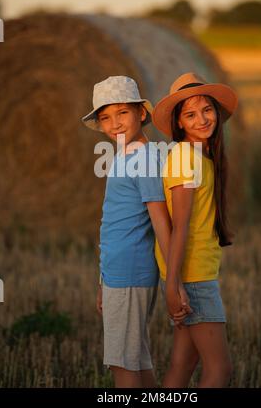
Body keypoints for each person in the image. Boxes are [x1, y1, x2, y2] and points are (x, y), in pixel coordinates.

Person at [81, 75, 172, 388]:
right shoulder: (125, 155)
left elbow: (160, 221)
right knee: (136, 361)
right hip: (118, 273)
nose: (114, 124)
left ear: (141, 114)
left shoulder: (145, 159)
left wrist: (173, 280)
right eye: (105, 117)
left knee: (123, 367)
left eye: (122, 113)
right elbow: (115, 226)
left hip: (130, 272)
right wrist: (104, 282)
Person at [152, 72, 238, 388]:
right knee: (220, 370)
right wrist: (174, 286)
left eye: (207, 110)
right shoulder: (186, 158)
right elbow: (180, 227)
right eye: (190, 114)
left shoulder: (202, 157)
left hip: (194, 271)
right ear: (179, 123)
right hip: (193, 275)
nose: (202, 119)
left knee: (184, 362)